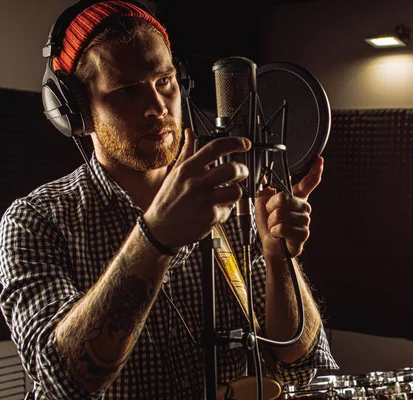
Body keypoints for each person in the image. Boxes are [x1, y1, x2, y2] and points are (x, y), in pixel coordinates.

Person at [0, 1, 338, 398]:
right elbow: (65, 383)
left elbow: (302, 361)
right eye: (127, 91)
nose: (158, 108)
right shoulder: (35, 220)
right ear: (75, 110)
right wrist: (156, 235)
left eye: (165, 81)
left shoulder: (228, 195)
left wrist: (279, 257)